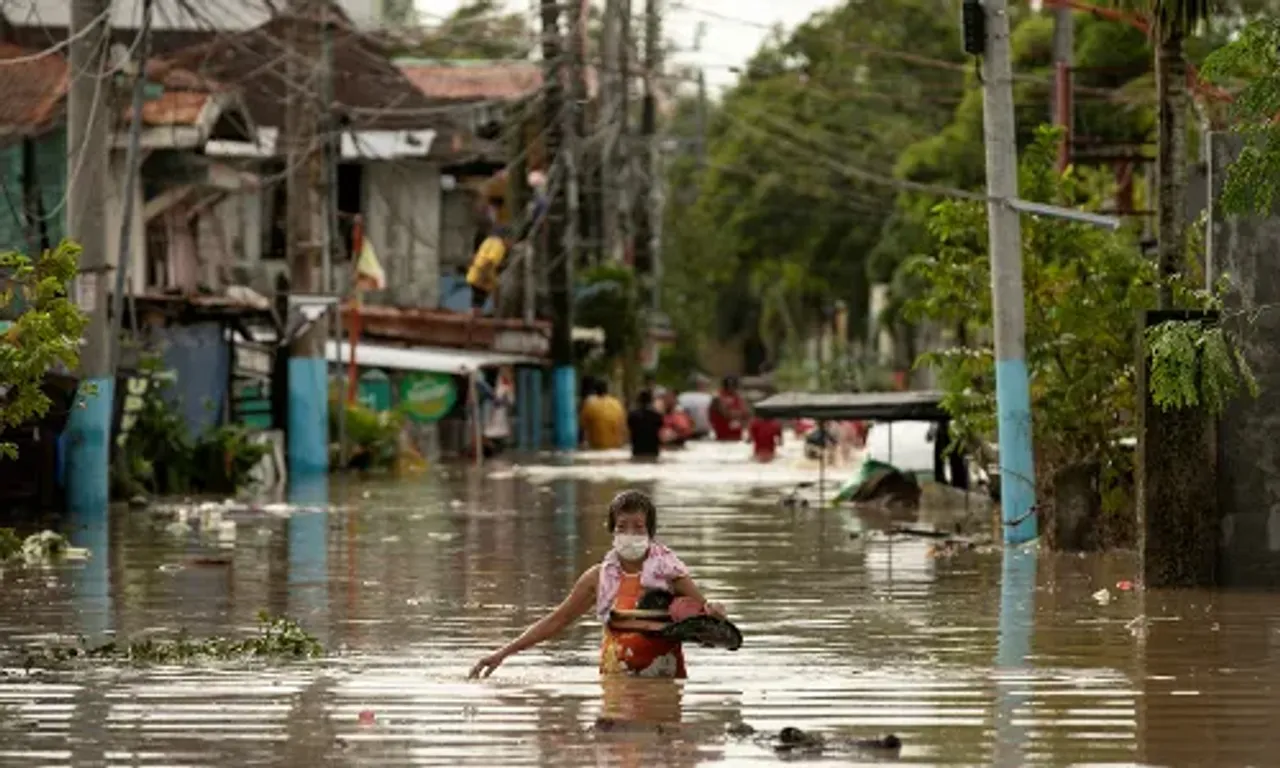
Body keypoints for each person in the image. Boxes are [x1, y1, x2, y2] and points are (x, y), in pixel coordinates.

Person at [469, 490, 727, 680]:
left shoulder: (672, 574)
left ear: (650, 532)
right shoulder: (598, 578)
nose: (630, 534)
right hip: (615, 681)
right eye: (622, 527)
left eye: (638, 527)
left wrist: (715, 610)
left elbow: (706, 619)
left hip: (664, 682)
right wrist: (503, 653)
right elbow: (557, 620)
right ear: (612, 531)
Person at [466, 227, 512, 318]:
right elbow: (489, 262)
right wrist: (491, 278)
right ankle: (475, 319)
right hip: (482, 277)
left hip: (474, 274)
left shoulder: (489, 241)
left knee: (476, 301)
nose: (511, 245)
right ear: (506, 238)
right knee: (480, 301)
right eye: (510, 241)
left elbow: (477, 256)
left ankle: (472, 317)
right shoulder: (499, 247)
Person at [477, 367, 515, 458]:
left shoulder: (506, 383)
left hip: (497, 421)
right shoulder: (500, 381)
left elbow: (510, 400)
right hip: (493, 419)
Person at [581, 379, 627, 450]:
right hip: (615, 447)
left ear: (595, 391)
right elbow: (623, 426)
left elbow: (583, 427)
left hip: (596, 447)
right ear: (607, 390)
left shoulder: (590, 405)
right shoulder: (617, 404)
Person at [709, 376, 749, 442]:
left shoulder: (738, 397)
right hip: (723, 434)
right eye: (729, 385)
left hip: (737, 434)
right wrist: (739, 414)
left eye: (734, 386)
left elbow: (746, 413)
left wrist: (740, 415)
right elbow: (726, 413)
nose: (732, 388)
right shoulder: (718, 396)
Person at [627, 390, 665, 459]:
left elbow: (629, 430)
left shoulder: (632, 416)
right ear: (651, 401)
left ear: (638, 401)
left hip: (638, 450)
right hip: (653, 451)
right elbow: (661, 432)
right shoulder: (657, 416)